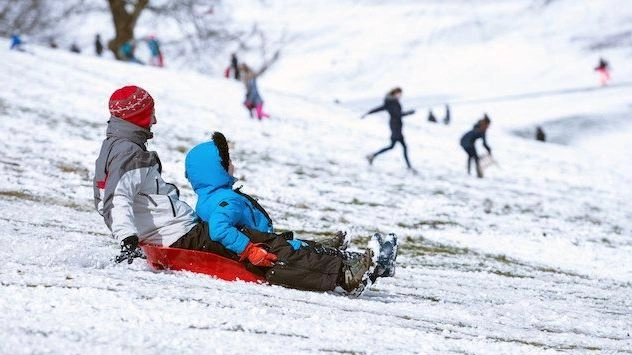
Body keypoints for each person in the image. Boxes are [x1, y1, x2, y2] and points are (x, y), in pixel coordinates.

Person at [93, 85, 385, 296]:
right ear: (139, 116)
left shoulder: (119, 147)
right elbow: (114, 200)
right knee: (261, 251)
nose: (154, 120)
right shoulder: (127, 153)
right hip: (179, 235)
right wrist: (128, 240)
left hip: (180, 230)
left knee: (261, 239)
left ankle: (332, 255)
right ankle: (343, 274)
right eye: (150, 113)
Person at [184, 132, 397, 295]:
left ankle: (374, 263)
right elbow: (219, 229)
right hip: (263, 251)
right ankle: (357, 270)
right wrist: (248, 250)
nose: (233, 165)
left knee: (304, 248)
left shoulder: (208, 199)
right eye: (227, 162)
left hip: (266, 243)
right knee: (303, 256)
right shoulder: (224, 200)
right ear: (216, 169)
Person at [361, 87, 417, 173]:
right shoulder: (391, 102)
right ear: (395, 93)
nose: (400, 95)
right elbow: (397, 114)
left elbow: (380, 109)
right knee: (401, 147)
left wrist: (367, 113)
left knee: (393, 146)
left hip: (396, 126)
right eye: (399, 93)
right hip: (395, 127)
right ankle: (409, 166)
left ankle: (373, 155)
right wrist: (409, 113)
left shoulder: (392, 102)